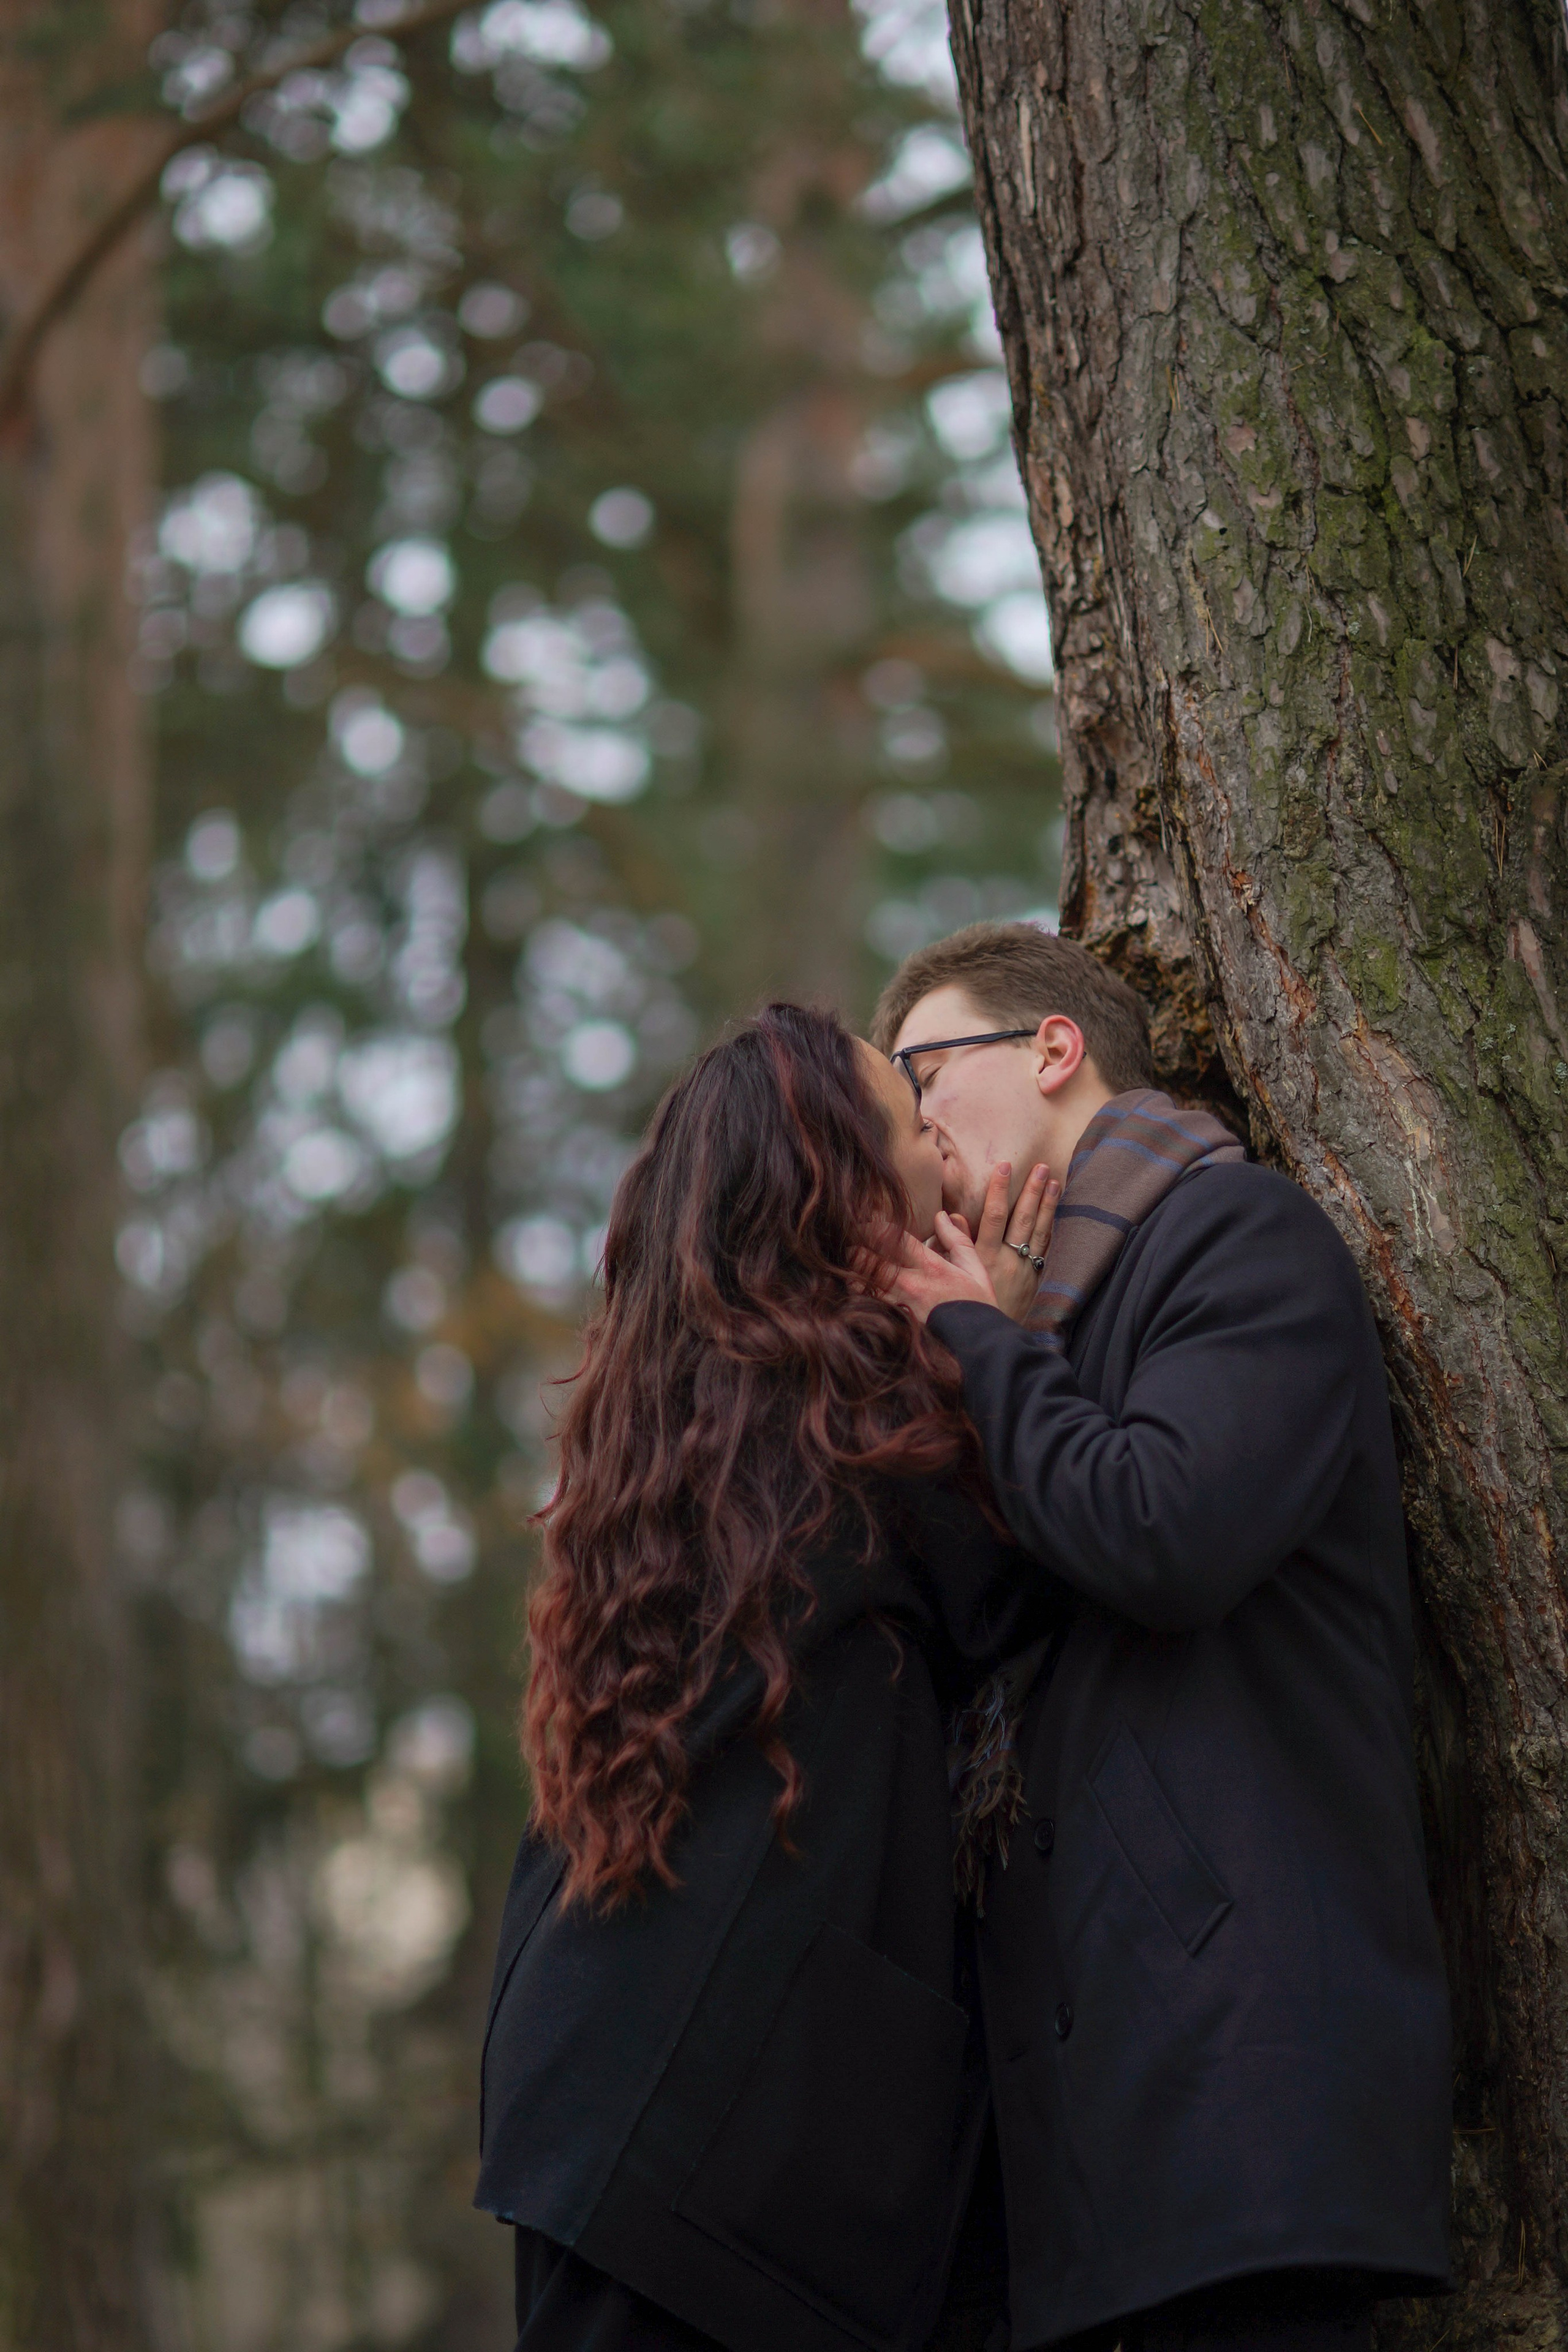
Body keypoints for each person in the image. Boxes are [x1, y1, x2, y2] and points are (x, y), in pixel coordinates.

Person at [872, 921, 1452, 2352]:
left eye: (920, 1077)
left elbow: (1162, 1534)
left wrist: (982, 1343)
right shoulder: (1025, 1330)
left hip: (1244, 2110)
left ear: (1051, 1050)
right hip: (1095, 2152)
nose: (912, 1132)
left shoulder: (1232, 1236)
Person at [475, 1002, 1057, 2352]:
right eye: (910, 1127)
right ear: (838, 1191)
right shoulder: (837, 1426)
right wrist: (993, 1340)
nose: (943, 1148)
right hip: (693, 2152)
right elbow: (1013, 1583)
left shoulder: (712, 1416)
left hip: (610, 2114)